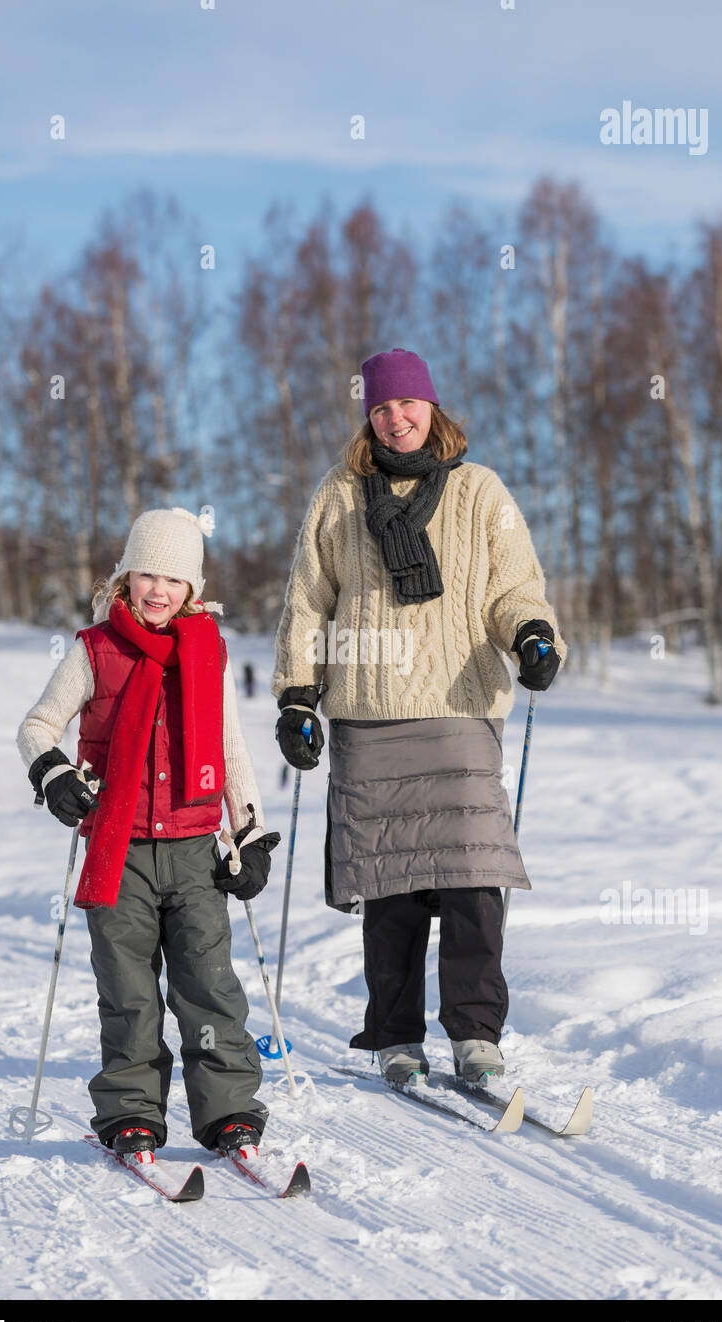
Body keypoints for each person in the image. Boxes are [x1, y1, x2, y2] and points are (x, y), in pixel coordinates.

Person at [272, 349, 565, 1088]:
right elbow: (309, 602)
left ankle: (475, 1034)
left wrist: (532, 635)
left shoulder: (480, 492)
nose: (395, 419)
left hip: (460, 708)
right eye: (380, 409)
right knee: (393, 890)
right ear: (367, 416)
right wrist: (297, 695)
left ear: (433, 409)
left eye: (407, 406)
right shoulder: (340, 495)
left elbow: (513, 588)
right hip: (370, 716)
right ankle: (396, 1036)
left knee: (474, 881)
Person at [17, 507, 279, 1160]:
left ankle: (230, 1115)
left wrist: (249, 837)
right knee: (130, 996)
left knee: (209, 988)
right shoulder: (94, 649)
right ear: (125, 578)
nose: (158, 590)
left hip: (194, 852)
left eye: (174, 578)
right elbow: (37, 726)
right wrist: (52, 774)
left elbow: (231, 747)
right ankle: (131, 1115)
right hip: (118, 850)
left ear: (192, 589)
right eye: (146, 575)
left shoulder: (206, 650)